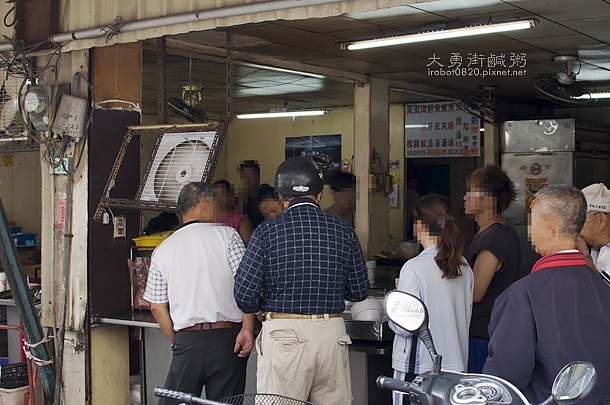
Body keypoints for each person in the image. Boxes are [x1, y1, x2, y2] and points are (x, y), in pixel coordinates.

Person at [233, 156, 370, 405]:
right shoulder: (344, 231)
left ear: (280, 197)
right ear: (319, 195)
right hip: (332, 334)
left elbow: (244, 294)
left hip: (284, 333)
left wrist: (261, 306)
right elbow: (360, 291)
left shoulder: (266, 232)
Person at [483, 184, 610, 404]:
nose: (529, 230)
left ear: (549, 227)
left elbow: (505, 380)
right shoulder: (602, 288)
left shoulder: (523, 294)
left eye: (532, 222)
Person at [143, 182, 254, 403]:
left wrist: (179, 340)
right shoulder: (228, 236)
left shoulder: (163, 249)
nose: (217, 209)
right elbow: (247, 286)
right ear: (203, 203)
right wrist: (248, 328)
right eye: (214, 204)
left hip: (187, 338)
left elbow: (156, 306)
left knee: (176, 401)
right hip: (228, 339)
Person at [391, 194, 473, 405]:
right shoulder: (464, 266)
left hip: (419, 369)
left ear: (419, 225)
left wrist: (394, 299)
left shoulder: (414, 267)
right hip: (456, 367)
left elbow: (404, 326)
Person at [463, 164, 522, 373]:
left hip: (483, 332)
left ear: (486, 198)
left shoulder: (494, 238)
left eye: (470, 192)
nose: (465, 197)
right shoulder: (495, 232)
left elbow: (476, 292)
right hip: (490, 329)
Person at [576, 183, 610, 275]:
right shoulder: (596, 248)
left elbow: (602, 288)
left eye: (581, 221)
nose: (577, 230)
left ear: (601, 220)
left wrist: (584, 254)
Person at [213, 180, 254, 246]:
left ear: (230, 196)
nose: (218, 199)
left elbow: (249, 245)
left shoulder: (241, 221)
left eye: (222, 195)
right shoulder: (207, 220)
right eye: (216, 195)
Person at [237, 160, 264, 228]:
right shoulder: (238, 199)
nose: (248, 180)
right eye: (245, 177)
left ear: (258, 176)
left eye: (251, 176)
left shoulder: (266, 194)